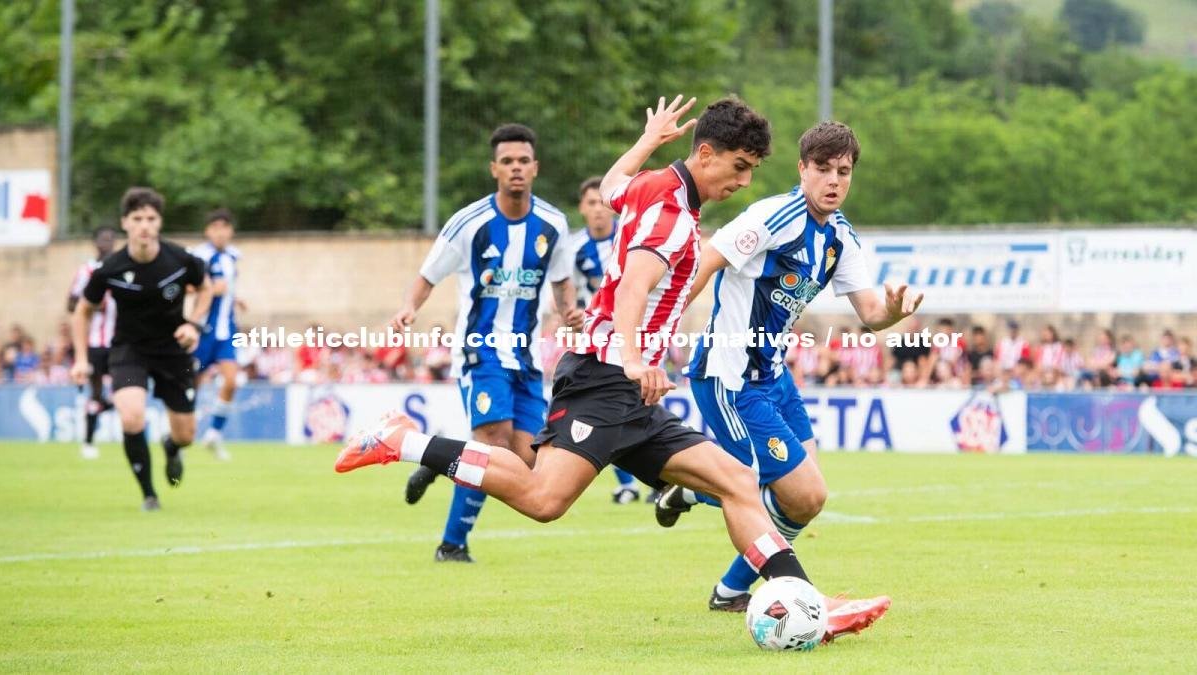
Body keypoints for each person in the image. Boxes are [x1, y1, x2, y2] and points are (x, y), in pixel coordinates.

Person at [337, 96, 884, 643]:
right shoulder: (672, 217)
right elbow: (634, 289)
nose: (743, 181)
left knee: (739, 481)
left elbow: (615, 181)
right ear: (708, 153)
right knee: (543, 499)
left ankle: (808, 601)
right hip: (605, 377)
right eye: (739, 166)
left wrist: (648, 140)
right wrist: (632, 358)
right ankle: (404, 441)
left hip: (632, 393)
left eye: (752, 170)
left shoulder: (654, 185)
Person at [660, 121, 916, 627]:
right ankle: (780, 589)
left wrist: (894, 312)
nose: (833, 181)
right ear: (802, 169)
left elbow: (869, 311)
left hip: (774, 377)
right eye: (822, 169)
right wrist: (654, 332)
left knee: (804, 500)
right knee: (787, 490)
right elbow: (706, 263)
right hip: (728, 374)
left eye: (843, 172)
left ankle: (727, 583)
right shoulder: (773, 217)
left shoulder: (840, 235)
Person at [395, 123, 584, 563]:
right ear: (494, 169)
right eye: (507, 162)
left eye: (523, 161)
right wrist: (409, 308)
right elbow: (428, 275)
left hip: (526, 354)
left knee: (531, 462)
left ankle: (442, 455)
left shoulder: (553, 224)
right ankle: (452, 544)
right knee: (492, 445)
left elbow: (561, 284)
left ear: (535, 168)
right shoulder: (469, 222)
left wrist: (569, 313)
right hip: (480, 351)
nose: (516, 169)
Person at [70, 187, 212, 511]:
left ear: (160, 222)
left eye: (151, 218)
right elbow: (82, 311)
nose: (144, 225)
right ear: (125, 223)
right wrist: (80, 359)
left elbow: (205, 289)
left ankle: (171, 447)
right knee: (132, 417)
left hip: (174, 352)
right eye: (137, 219)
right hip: (129, 351)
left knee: (187, 434)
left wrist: (193, 324)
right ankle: (149, 494)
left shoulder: (181, 259)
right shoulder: (110, 269)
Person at [570, 175, 645, 504]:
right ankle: (631, 483)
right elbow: (567, 293)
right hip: (597, 339)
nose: (598, 210)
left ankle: (655, 480)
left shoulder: (629, 240)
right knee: (607, 410)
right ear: (581, 209)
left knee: (639, 407)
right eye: (591, 204)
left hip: (634, 335)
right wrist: (571, 314)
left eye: (603, 203)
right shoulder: (574, 248)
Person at [191, 208, 245, 461]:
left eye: (225, 227)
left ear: (231, 231)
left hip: (227, 331)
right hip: (204, 331)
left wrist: (236, 298)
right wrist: (213, 289)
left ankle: (214, 434)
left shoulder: (234, 256)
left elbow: (229, 287)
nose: (220, 232)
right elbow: (188, 287)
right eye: (215, 227)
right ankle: (182, 435)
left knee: (232, 380)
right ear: (208, 231)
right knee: (193, 384)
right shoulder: (200, 256)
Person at [67, 225, 119, 459]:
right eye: (103, 239)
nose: (107, 243)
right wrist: (94, 304)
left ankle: (109, 410)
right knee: (95, 392)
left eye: (111, 239)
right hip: (95, 344)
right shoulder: (87, 270)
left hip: (121, 342)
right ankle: (88, 442)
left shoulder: (123, 269)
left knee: (126, 390)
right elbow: (71, 304)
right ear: (95, 243)